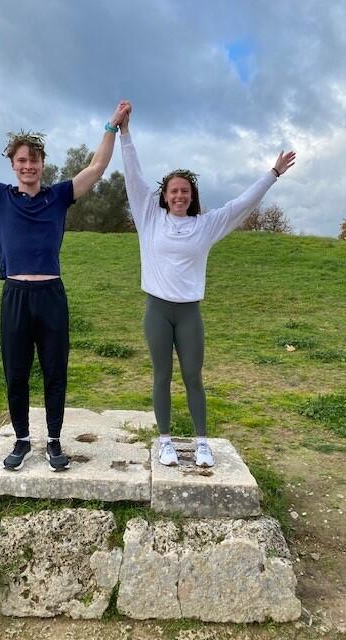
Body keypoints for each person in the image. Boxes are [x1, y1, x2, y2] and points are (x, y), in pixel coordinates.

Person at [0, 94, 129, 472]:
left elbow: (97, 167)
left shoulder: (59, 196)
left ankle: (53, 442)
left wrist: (110, 126)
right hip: (16, 294)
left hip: (52, 295)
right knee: (16, 371)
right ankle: (20, 440)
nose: (28, 166)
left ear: (42, 164)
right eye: (21, 160)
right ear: (13, 164)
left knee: (54, 370)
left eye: (34, 160)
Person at [119, 101, 295, 468]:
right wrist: (124, 133)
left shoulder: (206, 225)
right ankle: (165, 440)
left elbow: (241, 204)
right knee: (162, 376)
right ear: (164, 196)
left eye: (185, 191)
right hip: (156, 310)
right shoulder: (149, 217)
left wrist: (272, 174)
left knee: (193, 377)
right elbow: (133, 177)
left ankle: (201, 442)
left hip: (188, 314)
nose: (179, 196)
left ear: (192, 196)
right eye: (173, 191)